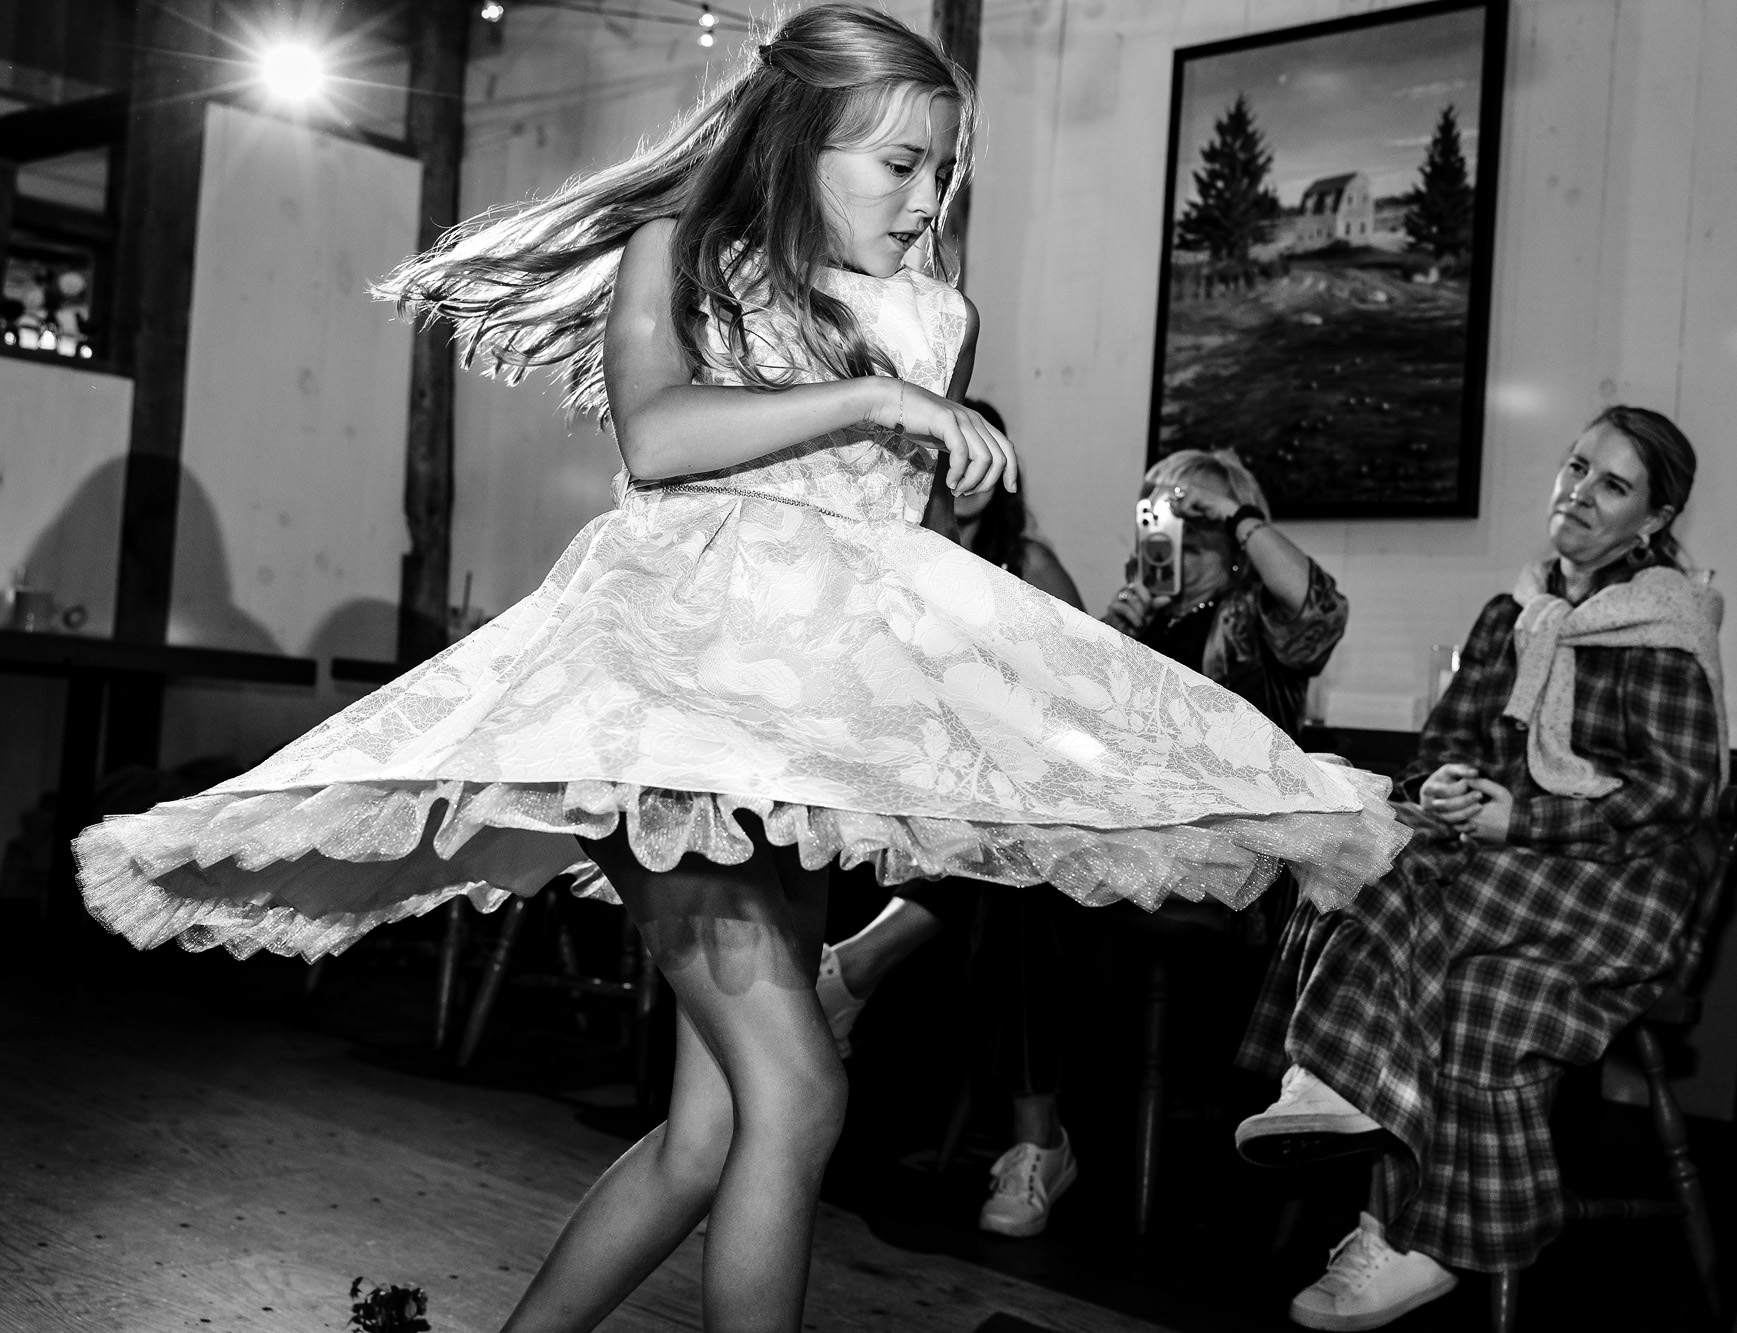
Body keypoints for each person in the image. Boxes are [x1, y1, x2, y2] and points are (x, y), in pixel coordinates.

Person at [71, 9, 1409, 1331]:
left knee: (709, 1135)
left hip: (807, 736)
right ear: (799, 139)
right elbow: (658, 438)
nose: (927, 197)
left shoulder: (940, 316)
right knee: (803, 1093)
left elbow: (887, 549)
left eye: (944, 170)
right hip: (673, 714)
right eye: (899, 164)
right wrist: (876, 400)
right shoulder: (688, 257)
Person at [1235, 405, 1725, 1330]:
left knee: (1405, 872)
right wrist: (1449, 784)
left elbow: (1684, 792)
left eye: (1613, 484)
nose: (1579, 492)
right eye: (1576, 466)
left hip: (1623, 885)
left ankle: (1339, 1074)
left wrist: (1522, 816)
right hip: (1504, 879)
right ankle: (1407, 1232)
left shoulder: (1660, 623)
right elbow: (1444, 746)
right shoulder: (1515, 613)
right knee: (1389, 864)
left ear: (1655, 520)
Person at [817, 397, 1088, 1238]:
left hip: (1036, 794)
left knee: (1011, 860)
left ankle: (851, 970)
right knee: (980, 851)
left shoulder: (1026, 559)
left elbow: (1088, 686)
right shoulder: (897, 563)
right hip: (919, 791)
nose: (958, 472)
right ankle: (1034, 1141)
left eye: (974, 452)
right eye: (937, 453)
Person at [1102, 447, 1348, 737]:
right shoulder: (1139, 616)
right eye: (1171, 512)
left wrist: (1232, 512)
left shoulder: (1257, 614)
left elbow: (1321, 610)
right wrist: (1110, 638)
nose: (1186, 526)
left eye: (1201, 513)